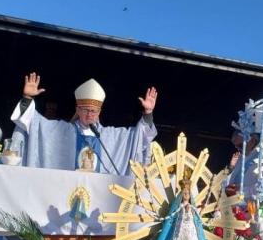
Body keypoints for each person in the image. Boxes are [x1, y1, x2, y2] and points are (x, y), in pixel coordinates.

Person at [10, 72, 158, 174]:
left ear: (99, 112)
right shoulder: (62, 131)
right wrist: (27, 97)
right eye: (85, 109)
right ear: (77, 110)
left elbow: (137, 137)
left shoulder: (109, 137)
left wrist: (148, 113)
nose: (89, 114)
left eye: (94, 111)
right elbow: (33, 123)